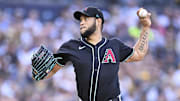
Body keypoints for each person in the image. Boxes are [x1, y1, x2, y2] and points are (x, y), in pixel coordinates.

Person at [32, 6, 151, 101]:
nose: (82, 23)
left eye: (86, 19)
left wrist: (145, 27)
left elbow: (139, 54)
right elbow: (52, 70)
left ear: (98, 21)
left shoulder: (114, 45)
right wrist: (38, 73)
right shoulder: (71, 46)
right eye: (81, 20)